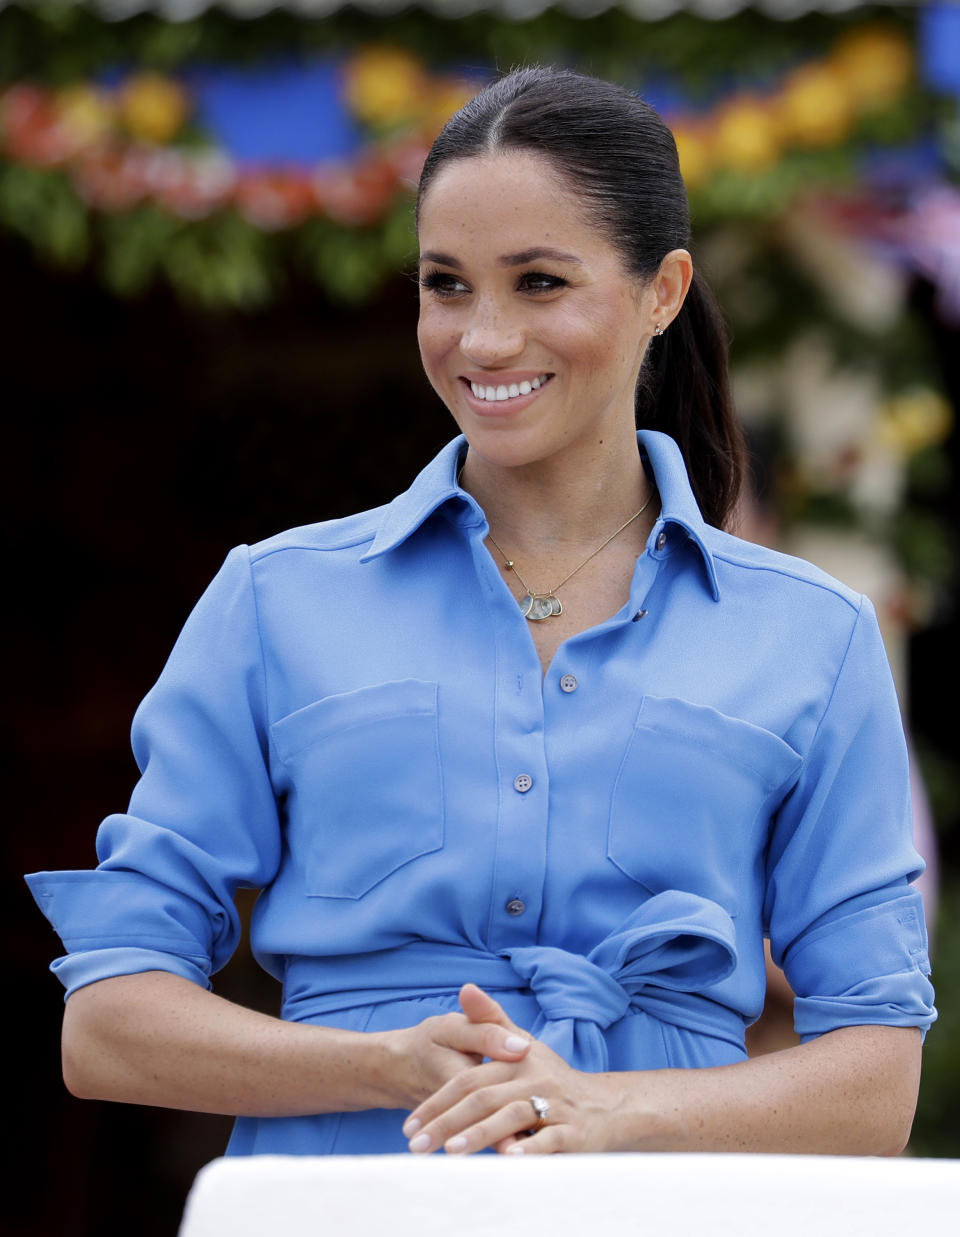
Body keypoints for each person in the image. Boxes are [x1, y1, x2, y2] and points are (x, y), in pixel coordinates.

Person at [27, 66, 934, 1158]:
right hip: (347, 1214)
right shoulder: (275, 600)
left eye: (540, 282)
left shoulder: (814, 637)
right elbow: (111, 1026)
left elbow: (877, 1082)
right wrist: (384, 1062)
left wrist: (613, 1110)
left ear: (664, 290)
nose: (483, 338)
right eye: (446, 284)